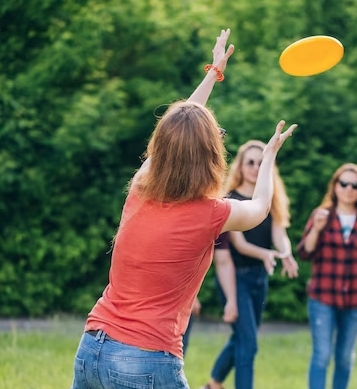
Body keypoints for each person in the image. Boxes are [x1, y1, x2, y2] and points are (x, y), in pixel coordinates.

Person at [70, 29, 298, 389]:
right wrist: (269, 158)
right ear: (210, 156)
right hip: (146, 359)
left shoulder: (140, 190)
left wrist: (213, 74)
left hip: (91, 350)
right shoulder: (211, 213)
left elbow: (176, 132)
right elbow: (259, 207)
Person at [202, 140, 300, 389]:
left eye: (260, 162)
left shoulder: (271, 199)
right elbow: (241, 244)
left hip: (259, 277)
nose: (256, 167)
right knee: (249, 343)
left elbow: (280, 234)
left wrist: (285, 252)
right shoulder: (231, 200)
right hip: (236, 278)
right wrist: (266, 254)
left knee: (243, 338)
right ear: (241, 167)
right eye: (250, 162)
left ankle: (213, 383)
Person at [297, 163, 357, 389]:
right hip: (323, 296)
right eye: (344, 183)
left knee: (345, 357)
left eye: (355, 185)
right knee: (322, 354)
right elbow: (304, 253)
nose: (349, 189)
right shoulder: (322, 215)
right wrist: (317, 230)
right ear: (335, 186)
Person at [183, 234, 238, 356]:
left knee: (177, 355)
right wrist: (187, 296)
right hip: (157, 299)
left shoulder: (217, 219)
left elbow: (223, 261)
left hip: (182, 300)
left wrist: (231, 300)